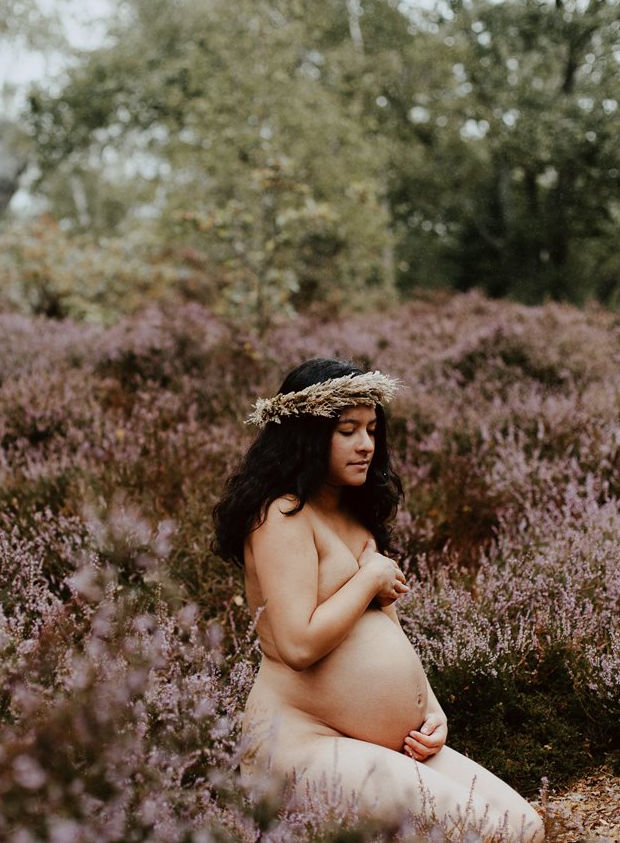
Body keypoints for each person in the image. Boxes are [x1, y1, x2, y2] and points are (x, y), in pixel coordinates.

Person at [214, 358, 544, 841]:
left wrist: (432, 709)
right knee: (492, 833)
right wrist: (369, 576)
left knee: (526, 827)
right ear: (306, 436)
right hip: (304, 745)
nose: (366, 444)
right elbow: (297, 644)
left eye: (371, 428)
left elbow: (389, 630)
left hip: (381, 744)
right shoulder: (282, 515)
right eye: (347, 430)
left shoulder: (354, 516)